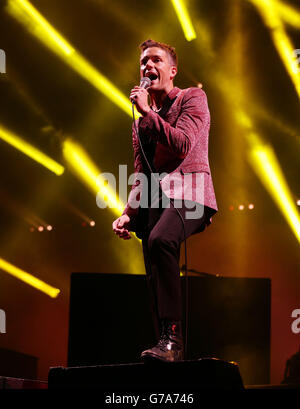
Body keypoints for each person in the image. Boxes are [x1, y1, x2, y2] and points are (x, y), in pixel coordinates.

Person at [112, 39, 218, 362]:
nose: (148, 67)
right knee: (153, 266)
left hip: (192, 194)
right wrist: (129, 213)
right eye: (143, 62)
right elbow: (141, 172)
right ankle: (164, 345)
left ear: (172, 70)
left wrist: (147, 111)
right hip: (157, 201)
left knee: (161, 239)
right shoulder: (139, 124)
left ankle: (173, 339)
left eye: (156, 60)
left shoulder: (192, 98)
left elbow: (183, 144)